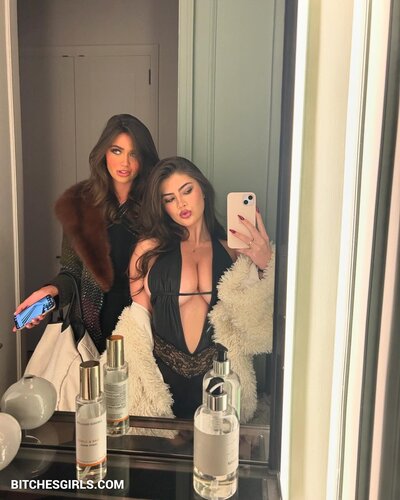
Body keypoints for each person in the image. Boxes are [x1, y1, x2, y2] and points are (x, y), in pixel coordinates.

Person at [112, 156, 275, 422]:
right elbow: (138, 326)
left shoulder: (233, 252)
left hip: (219, 382)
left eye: (187, 190)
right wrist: (143, 391)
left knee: (218, 444)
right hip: (163, 382)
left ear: (203, 190)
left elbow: (256, 328)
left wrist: (265, 265)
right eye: (169, 199)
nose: (181, 204)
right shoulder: (148, 251)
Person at [14, 114, 160, 353]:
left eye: (133, 153)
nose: (124, 162)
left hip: (148, 326)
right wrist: (49, 293)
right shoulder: (79, 205)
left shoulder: (158, 206)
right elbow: (71, 272)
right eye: (116, 151)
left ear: (144, 158)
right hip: (93, 332)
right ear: (104, 153)